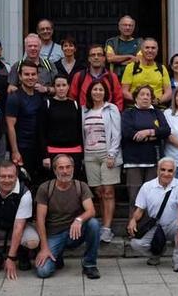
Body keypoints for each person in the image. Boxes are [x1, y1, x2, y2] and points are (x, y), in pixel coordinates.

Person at [34, 154, 101, 279]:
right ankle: (57, 257)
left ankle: (90, 264)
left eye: (68, 167)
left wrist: (79, 219)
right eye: (61, 168)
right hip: (54, 234)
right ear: (54, 170)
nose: (65, 171)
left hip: (74, 232)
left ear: (73, 168)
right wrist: (44, 248)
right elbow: (40, 220)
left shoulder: (81, 186)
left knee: (93, 224)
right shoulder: (45, 188)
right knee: (43, 272)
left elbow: (91, 211)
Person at [127, 157, 178, 271]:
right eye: (163, 169)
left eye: (170, 171)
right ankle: (156, 254)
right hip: (155, 226)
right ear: (158, 170)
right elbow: (140, 209)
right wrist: (133, 220)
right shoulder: (147, 186)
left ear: (174, 172)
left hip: (173, 224)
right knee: (136, 244)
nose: (166, 173)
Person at [81, 80, 122, 244]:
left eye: (100, 89)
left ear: (105, 92)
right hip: (90, 156)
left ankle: (106, 228)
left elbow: (117, 132)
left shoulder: (111, 109)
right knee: (98, 192)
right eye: (94, 89)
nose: (97, 92)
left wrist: (112, 154)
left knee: (108, 192)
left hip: (107, 155)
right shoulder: (84, 110)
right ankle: (99, 223)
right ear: (90, 92)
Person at [121, 85, 171, 212]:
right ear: (136, 98)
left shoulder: (157, 113)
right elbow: (128, 133)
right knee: (135, 197)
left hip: (153, 160)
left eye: (148, 95)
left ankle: (149, 229)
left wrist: (148, 132)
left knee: (152, 197)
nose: (145, 97)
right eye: (142, 94)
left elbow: (166, 130)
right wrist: (154, 136)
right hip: (133, 161)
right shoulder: (128, 113)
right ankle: (133, 229)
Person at [6, 60, 47, 182]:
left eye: (33, 74)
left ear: (37, 76)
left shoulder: (39, 96)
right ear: (20, 76)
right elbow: (10, 126)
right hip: (22, 148)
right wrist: (15, 151)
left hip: (39, 148)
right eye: (27, 74)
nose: (30, 77)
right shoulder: (14, 97)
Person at [40, 76, 83, 181]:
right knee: (55, 184)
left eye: (64, 85)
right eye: (58, 85)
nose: (61, 88)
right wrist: (45, 155)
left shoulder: (75, 104)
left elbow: (80, 130)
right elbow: (41, 132)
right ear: (54, 87)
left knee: (73, 184)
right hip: (53, 152)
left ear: (68, 86)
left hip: (74, 152)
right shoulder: (47, 104)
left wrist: (82, 155)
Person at [69, 44, 124, 111]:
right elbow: (72, 99)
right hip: (84, 117)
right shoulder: (79, 76)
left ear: (104, 58)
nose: (96, 57)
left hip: (106, 117)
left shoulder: (112, 77)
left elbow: (118, 99)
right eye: (93, 55)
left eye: (99, 55)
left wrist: (115, 115)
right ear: (89, 59)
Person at [121, 38, 172, 106]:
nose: (150, 50)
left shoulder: (162, 68)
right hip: (135, 107)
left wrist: (158, 101)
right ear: (141, 50)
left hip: (156, 107)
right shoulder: (131, 67)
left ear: (157, 51)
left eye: (153, 48)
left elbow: (168, 92)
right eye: (147, 48)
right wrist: (139, 100)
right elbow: (124, 91)